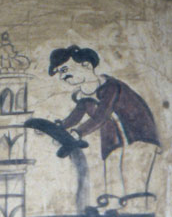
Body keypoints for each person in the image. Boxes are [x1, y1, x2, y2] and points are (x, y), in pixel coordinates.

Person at [49, 45, 161, 204]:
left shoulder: (111, 87)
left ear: (86, 65)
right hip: (114, 144)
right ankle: (113, 209)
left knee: (134, 183)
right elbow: (75, 116)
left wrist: (77, 133)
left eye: (64, 70)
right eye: (59, 72)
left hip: (139, 138)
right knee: (113, 180)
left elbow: (102, 115)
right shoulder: (84, 95)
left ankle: (137, 211)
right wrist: (58, 129)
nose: (62, 76)